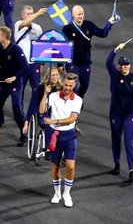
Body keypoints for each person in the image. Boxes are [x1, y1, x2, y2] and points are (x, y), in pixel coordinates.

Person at [39, 72, 82, 207]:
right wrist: (45, 94)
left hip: (69, 136)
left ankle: (66, 193)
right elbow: (42, 110)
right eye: (66, 84)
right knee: (55, 165)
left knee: (70, 166)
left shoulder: (78, 100)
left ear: (74, 85)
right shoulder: (53, 96)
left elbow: (72, 119)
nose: (68, 87)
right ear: (63, 83)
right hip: (55, 136)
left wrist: (54, 120)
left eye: (71, 85)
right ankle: (57, 193)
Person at [106, 45, 133, 180]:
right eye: (123, 65)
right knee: (116, 139)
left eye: (127, 65)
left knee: (129, 141)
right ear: (119, 66)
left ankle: (132, 170)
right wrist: (115, 50)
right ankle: (117, 164)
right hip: (115, 113)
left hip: (130, 114)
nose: (125, 67)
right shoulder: (114, 75)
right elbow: (108, 63)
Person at [62, 4, 116, 98]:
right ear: (73, 15)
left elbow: (103, 33)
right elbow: (62, 46)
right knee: (73, 86)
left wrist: (109, 23)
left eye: (82, 14)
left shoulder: (89, 25)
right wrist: (60, 64)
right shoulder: (67, 28)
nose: (81, 16)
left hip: (85, 63)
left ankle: (79, 98)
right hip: (72, 63)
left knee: (85, 85)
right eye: (79, 14)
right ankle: (72, 104)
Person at [23, 65, 64, 149]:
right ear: (47, 76)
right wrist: (26, 122)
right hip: (44, 114)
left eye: (56, 75)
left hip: (58, 114)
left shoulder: (61, 88)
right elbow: (32, 105)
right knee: (49, 124)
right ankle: (49, 148)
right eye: (52, 75)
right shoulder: (40, 88)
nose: (55, 77)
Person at [14, 5, 48, 98]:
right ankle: (19, 112)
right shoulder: (18, 24)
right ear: (22, 15)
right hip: (22, 64)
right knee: (20, 90)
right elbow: (25, 23)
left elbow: (42, 46)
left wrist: (41, 63)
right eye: (28, 14)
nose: (30, 15)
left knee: (36, 90)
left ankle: (34, 112)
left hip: (34, 64)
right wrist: (38, 13)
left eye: (31, 14)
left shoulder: (37, 28)